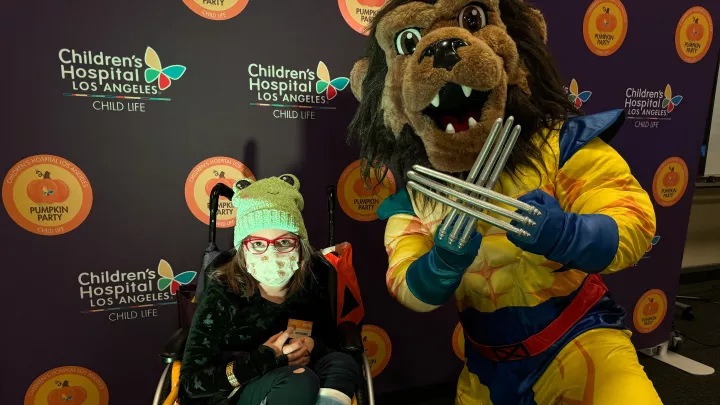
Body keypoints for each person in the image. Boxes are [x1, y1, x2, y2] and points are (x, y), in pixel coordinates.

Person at [347, 0, 661, 404]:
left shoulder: (560, 146)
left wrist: (566, 234)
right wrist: (441, 264)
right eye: (409, 41)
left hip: (581, 342)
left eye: (472, 20)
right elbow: (407, 285)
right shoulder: (419, 195)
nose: (442, 48)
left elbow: (632, 223)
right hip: (486, 368)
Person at [179, 174, 360, 405]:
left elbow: (330, 346)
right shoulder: (223, 293)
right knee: (299, 379)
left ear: (300, 247)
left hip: (298, 380)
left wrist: (312, 347)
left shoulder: (312, 283)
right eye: (257, 243)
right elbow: (190, 384)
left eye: (284, 242)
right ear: (242, 250)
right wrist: (262, 359)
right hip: (237, 391)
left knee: (342, 363)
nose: (271, 254)